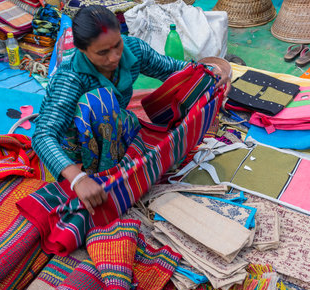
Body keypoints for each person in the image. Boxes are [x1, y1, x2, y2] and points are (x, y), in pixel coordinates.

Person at [32, 5, 231, 215]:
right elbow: (42, 135)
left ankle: (114, 170)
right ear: (83, 50)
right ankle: (101, 176)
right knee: (100, 101)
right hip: (76, 146)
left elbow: (173, 69)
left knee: (135, 116)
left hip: (112, 128)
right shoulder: (70, 78)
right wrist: (77, 178)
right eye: (102, 53)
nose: (114, 57)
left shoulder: (132, 50)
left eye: (116, 45)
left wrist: (212, 72)